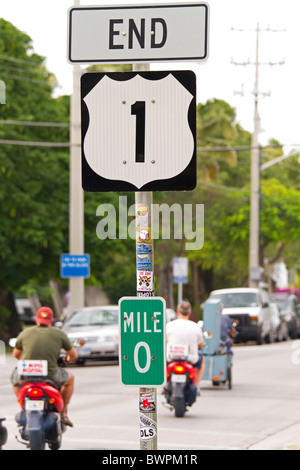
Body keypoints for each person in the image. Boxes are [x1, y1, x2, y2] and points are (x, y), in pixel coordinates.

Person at [11, 306, 78, 427]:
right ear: (51, 320)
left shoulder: (25, 333)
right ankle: (63, 414)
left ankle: (24, 408)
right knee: (70, 379)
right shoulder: (59, 333)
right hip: (50, 374)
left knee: (15, 381)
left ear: (37, 319)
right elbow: (73, 355)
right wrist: (68, 359)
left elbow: (16, 354)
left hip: (26, 374)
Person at [166, 300, 205, 394]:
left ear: (178, 311)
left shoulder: (169, 326)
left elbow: (164, 341)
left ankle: (165, 385)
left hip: (171, 358)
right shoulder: (195, 327)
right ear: (189, 313)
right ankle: (196, 385)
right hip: (190, 359)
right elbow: (200, 343)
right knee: (202, 361)